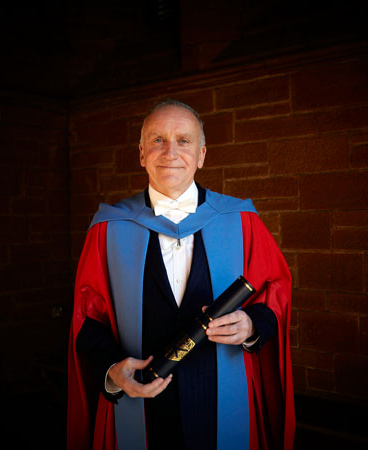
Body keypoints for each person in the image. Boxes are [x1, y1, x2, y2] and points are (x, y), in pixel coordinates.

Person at [67, 99, 295, 450]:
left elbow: (275, 291)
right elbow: (87, 317)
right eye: (158, 140)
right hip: (140, 408)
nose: (170, 152)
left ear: (201, 155)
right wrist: (111, 369)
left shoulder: (242, 221)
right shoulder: (107, 229)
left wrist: (252, 324)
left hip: (223, 399)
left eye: (183, 140)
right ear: (141, 153)